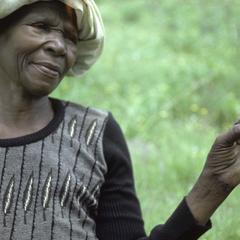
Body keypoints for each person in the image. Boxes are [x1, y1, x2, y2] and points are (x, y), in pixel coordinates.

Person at [0, 0, 239, 239]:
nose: (59, 46)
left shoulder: (94, 133)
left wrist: (213, 184)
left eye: (71, 38)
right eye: (41, 26)